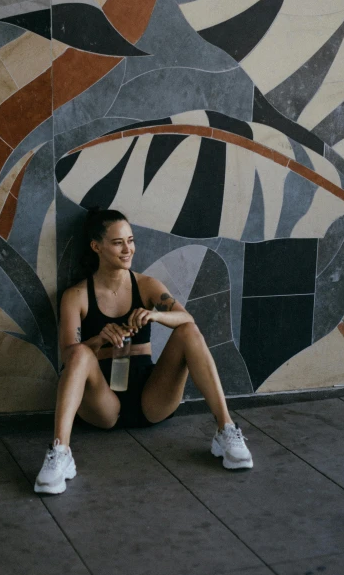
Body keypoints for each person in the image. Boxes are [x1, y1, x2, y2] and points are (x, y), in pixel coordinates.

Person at [34, 209, 253, 494]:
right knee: (79, 354)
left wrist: (156, 315)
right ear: (96, 246)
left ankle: (226, 430)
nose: (128, 249)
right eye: (118, 243)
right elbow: (67, 356)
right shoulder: (76, 296)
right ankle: (60, 453)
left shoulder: (147, 286)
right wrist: (99, 340)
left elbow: (187, 320)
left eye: (131, 240)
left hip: (152, 398)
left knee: (189, 331)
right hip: (103, 405)